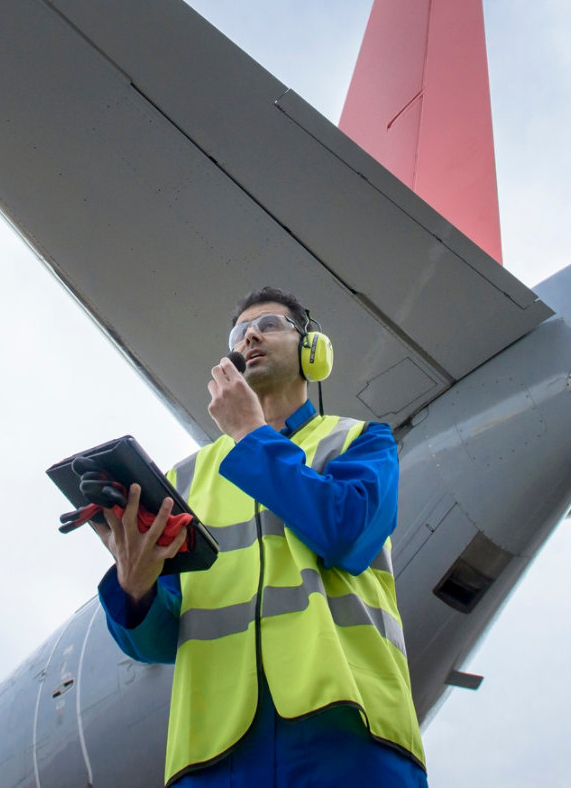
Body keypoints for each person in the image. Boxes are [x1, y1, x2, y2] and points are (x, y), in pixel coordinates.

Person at [92, 287, 427, 787]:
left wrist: (250, 435)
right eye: (240, 332)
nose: (251, 334)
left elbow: (348, 532)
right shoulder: (183, 482)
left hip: (350, 731)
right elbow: (159, 642)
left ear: (314, 350)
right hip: (213, 753)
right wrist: (134, 588)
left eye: (270, 324)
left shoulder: (361, 441)